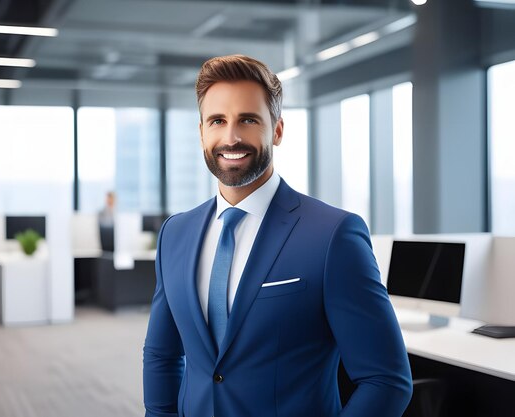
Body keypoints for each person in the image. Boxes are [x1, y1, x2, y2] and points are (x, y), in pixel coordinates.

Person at [143, 55, 412, 417]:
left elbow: (386, 381)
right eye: (218, 121)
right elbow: (163, 354)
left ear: (278, 130)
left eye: (248, 120)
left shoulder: (333, 235)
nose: (231, 137)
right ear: (202, 131)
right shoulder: (175, 233)